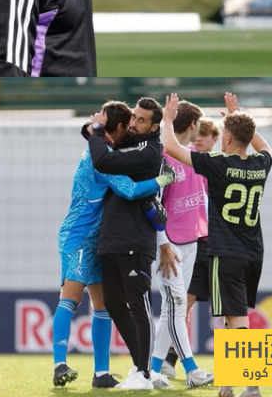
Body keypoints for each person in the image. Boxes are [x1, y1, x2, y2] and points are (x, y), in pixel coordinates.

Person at [162, 92, 272, 397]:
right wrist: (240, 117)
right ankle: (228, 383)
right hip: (254, 252)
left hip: (226, 252)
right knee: (231, 316)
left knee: (237, 319)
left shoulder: (218, 163)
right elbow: (266, 148)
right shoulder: (261, 163)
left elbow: (171, 147)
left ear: (226, 138)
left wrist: (168, 119)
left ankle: (252, 385)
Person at [53, 101, 166, 389]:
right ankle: (59, 364)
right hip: (79, 234)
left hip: (98, 236)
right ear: (118, 128)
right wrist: (163, 180)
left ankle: (101, 373)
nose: (132, 128)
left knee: (102, 304)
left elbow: (92, 133)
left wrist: (93, 128)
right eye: (129, 123)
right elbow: (129, 190)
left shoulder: (102, 147)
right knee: (71, 296)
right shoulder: (101, 157)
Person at [89, 97, 172, 391]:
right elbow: (92, 135)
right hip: (111, 237)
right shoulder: (125, 142)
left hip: (136, 239)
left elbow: (102, 159)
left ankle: (145, 372)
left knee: (139, 304)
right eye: (134, 117)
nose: (134, 123)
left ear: (154, 126)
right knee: (113, 302)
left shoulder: (150, 152)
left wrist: (96, 131)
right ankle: (140, 367)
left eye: (141, 120)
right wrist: (95, 128)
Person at [151, 101, 215, 389]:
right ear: (192, 125)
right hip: (170, 245)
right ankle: (191, 370)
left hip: (192, 241)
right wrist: (163, 243)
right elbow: (153, 204)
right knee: (177, 305)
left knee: (171, 309)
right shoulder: (164, 158)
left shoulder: (194, 158)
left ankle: (153, 370)